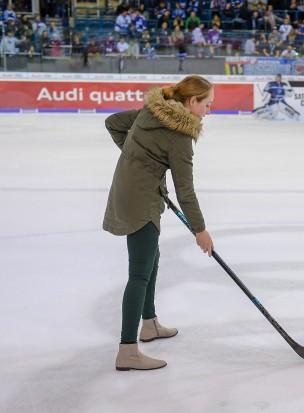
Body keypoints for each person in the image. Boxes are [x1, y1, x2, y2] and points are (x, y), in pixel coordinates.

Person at [103, 75, 215, 371]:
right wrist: (200, 230)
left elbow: (113, 123)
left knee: (152, 257)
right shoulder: (180, 137)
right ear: (192, 102)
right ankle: (127, 351)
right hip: (139, 198)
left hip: (133, 190)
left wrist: (139, 161)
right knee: (139, 273)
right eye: (207, 104)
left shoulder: (151, 110)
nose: (209, 110)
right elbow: (186, 191)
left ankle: (149, 324)